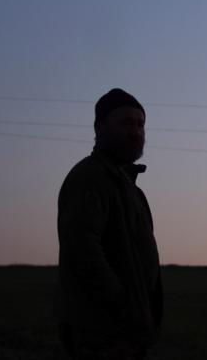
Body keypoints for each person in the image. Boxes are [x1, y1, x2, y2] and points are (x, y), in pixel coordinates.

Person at [57, 88, 163, 359]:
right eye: (126, 123)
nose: (135, 131)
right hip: (102, 332)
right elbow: (82, 248)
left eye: (140, 124)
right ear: (100, 127)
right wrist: (119, 300)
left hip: (128, 329)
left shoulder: (128, 186)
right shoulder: (91, 177)